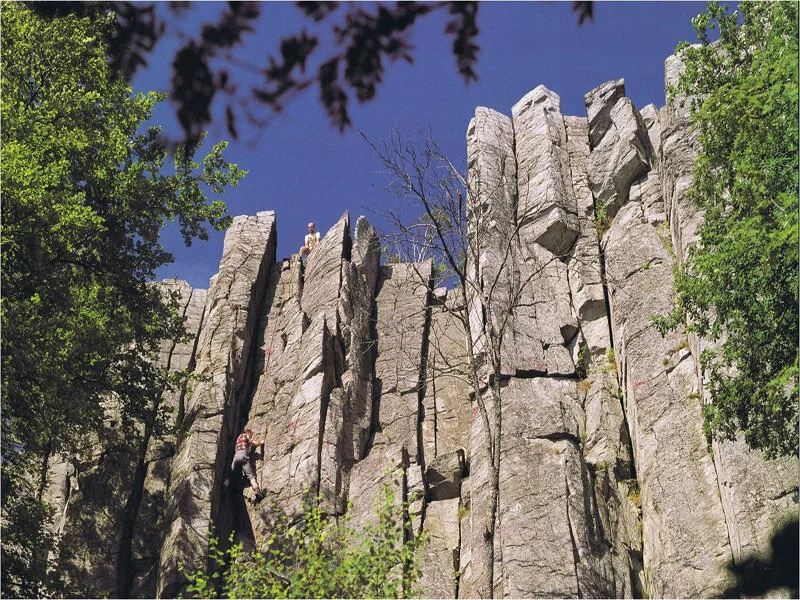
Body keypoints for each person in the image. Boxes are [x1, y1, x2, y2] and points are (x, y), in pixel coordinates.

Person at [228, 427, 265, 497]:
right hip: (244, 456)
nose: (251, 436)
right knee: (250, 475)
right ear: (248, 432)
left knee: (231, 473)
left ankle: (225, 487)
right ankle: (257, 491)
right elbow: (252, 442)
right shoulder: (245, 435)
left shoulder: (238, 438)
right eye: (251, 434)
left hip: (236, 457)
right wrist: (260, 442)